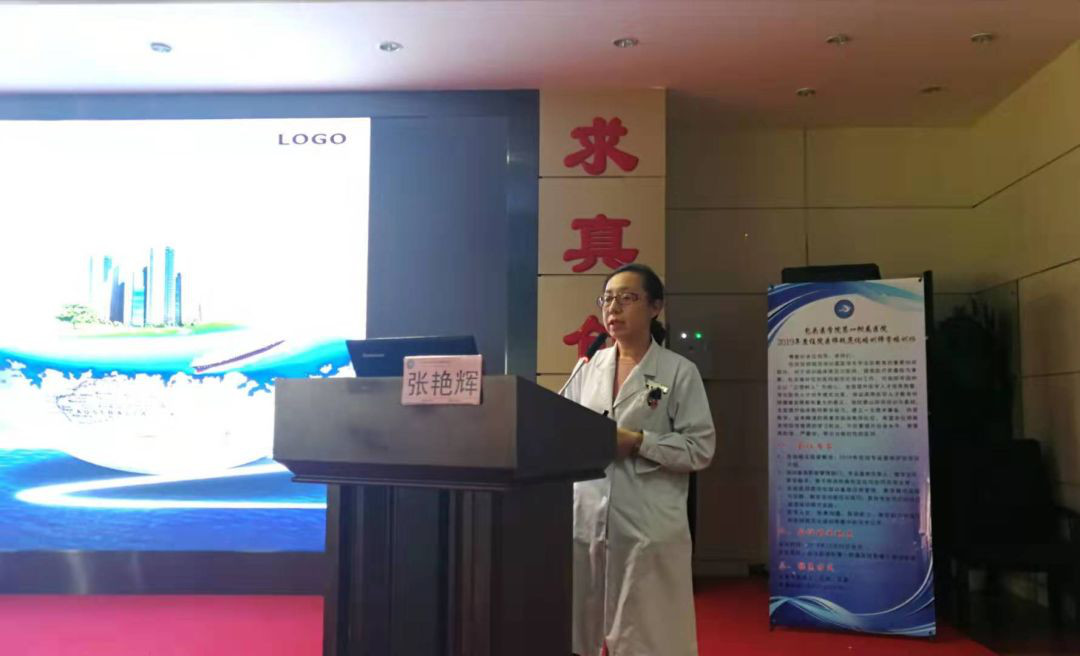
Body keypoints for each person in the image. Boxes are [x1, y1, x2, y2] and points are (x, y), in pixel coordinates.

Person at [563, 263, 716, 656]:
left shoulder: (677, 372)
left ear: (655, 307)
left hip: (647, 522)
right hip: (588, 518)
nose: (613, 308)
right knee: (580, 630)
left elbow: (699, 448)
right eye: (607, 299)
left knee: (647, 638)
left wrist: (637, 442)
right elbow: (560, 428)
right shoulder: (587, 368)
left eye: (627, 298)